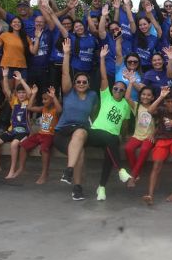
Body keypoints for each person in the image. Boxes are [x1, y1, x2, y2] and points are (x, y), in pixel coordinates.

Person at [55, 38, 99, 201]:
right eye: (78, 81)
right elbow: (65, 73)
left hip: (80, 131)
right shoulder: (68, 93)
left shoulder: (93, 96)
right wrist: (66, 54)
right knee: (79, 153)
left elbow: (93, 114)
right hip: (62, 133)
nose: (81, 83)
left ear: (88, 84)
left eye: (84, 82)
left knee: (80, 132)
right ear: (74, 84)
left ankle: (69, 171)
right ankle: (76, 188)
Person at [88, 44, 134, 201]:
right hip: (95, 133)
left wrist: (125, 136)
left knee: (110, 153)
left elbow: (125, 125)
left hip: (111, 139)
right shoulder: (106, 96)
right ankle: (121, 170)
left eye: (122, 90)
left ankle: (101, 188)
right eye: (116, 88)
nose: (118, 91)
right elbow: (103, 77)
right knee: (110, 139)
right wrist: (102, 58)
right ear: (112, 89)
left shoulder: (125, 106)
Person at [145, 87, 172, 204]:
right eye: (168, 101)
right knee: (157, 164)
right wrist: (161, 96)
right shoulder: (162, 110)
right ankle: (150, 195)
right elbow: (149, 110)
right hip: (162, 140)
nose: (170, 104)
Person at [16, 86, 61, 184]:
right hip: (40, 134)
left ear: (52, 100)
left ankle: (44, 173)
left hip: (50, 135)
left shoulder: (55, 110)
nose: (43, 101)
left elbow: (60, 110)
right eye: (42, 99)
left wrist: (54, 97)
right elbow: (29, 107)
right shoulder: (43, 108)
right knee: (23, 145)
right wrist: (34, 94)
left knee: (44, 149)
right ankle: (21, 168)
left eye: (46, 99)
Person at [123, 86, 155, 188]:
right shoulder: (136, 106)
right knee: (128, 148)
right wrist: (131, 83)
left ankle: (133, 177)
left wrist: (153, 134)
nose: (146, 96)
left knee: (144, 150)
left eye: (148, 95)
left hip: (149, 137)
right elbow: (127, 98)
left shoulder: (155, 108)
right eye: (143, 94)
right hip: (137, 135)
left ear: (152, 97)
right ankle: (136, 173)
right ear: (140, 96)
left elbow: (160, 124)